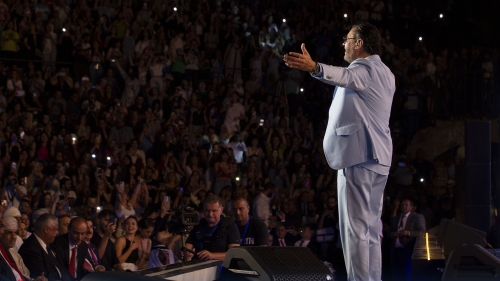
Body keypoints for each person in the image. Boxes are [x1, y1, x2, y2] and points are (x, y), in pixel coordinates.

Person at [284, 22, 395, 281]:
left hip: (359, 157)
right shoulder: (386, 72)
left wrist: (315, 67)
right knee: (369, 231)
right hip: (377, 158)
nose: (343, 43)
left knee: (355, 230)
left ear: (359, 44)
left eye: (348, 39)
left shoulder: (365, 68)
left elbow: (346, 76)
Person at [185, 194, 240, 261]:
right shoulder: (199, 225)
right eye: (207, 211)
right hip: (198, 266)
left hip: (219, 268)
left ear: (221, 210)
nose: (210, 214)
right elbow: (188, 247)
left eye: (214, 211)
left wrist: (212, 255)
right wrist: (185, 252)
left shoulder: (230, 225)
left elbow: (234, 254)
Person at [18, 213, 72, 281]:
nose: (57, 232)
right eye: (55, 229)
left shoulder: (50, 245)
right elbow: (43, 277)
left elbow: (62, 270)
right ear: (46, 229)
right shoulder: (30, 249)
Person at [390, 198, 426, 281]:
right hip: (395, 252)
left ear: (411, 207)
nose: (404, 207)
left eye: (406, 205)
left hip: (407, 251)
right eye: (402, 205)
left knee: (406, 276)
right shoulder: (397, 218)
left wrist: (408, 233)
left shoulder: (416, 217)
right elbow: (389, 232)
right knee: (395, 275)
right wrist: (393, 234)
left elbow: (422, 231)